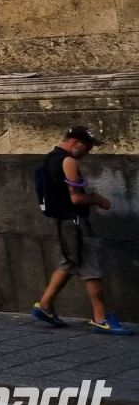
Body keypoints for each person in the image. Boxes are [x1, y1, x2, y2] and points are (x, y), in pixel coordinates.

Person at [33, 125, 133, 335]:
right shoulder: (68, 161)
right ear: (75, 142)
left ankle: (45, 305)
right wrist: (98, 199)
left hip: (61, 222)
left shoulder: (50, 158)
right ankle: (101, 318)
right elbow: (76, 197)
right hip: (75, 221)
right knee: (91, 267)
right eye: (87, 147)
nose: (88, 152)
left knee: (69, 262)